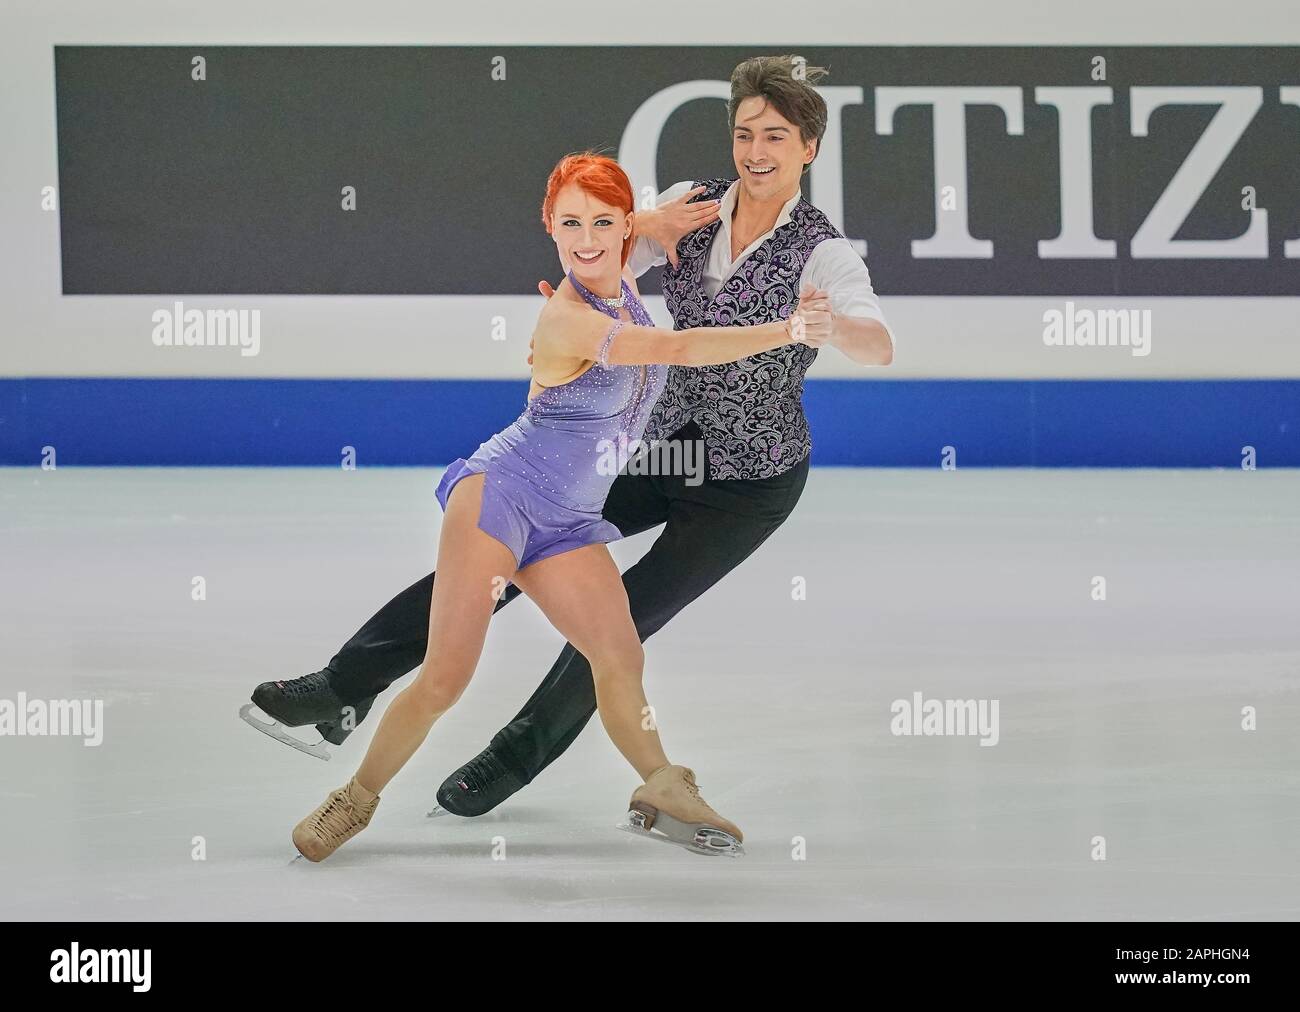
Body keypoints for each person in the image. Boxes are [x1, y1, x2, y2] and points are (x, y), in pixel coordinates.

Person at [244, 53, 893, 823]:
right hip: (661, 442)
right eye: (746, 133)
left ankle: (514, 755)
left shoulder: (821, 249)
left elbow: (878, 343)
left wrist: (830, 326)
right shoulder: (698, 207)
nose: (757, 151)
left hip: (749, 484)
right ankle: (345, 688)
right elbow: (603, 252)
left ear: (808, 149)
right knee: (510, 553)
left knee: (624, 623)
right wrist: (644, 224)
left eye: (776, 137)